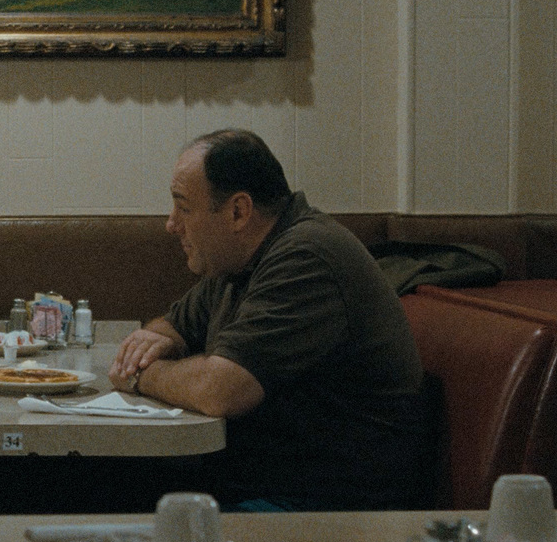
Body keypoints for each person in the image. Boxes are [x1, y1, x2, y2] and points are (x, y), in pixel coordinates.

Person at [109, 129, 430, 511]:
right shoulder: (236, 261)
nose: (171, 224)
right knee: (80, 487)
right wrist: (161, 345)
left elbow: (221, 391)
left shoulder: (306, 258)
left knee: (96, 503)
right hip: (257, 482)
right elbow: (168, 327)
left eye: (184, 207)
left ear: (238, 211)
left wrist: (141, 374)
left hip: (324, 508)